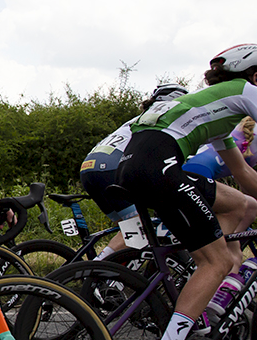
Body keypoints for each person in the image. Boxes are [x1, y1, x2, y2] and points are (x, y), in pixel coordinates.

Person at [116, 44, 257, 340]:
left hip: (135, 166)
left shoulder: (214, 107)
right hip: (158, 166)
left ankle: (185, 305)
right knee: (216, 261)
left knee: (238, 210)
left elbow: (241, 171)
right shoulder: (247, 91)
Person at [80, 84, 191, 259]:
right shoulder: (163, 120)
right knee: (140, 228)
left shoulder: (141, 117)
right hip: (111, 167)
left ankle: (117, 276)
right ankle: (95, 269)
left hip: (90, 167)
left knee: (129, 230)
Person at [183, 88, 257, 184]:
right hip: (198, 173)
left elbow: (245, 181)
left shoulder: (242, 125)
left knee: (250, 204)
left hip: (190, 169)